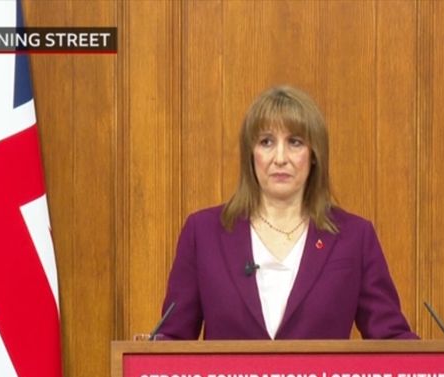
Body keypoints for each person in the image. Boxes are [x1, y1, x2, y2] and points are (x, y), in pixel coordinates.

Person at [156, 85, 416, 340]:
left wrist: (442, 368)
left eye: (295, 142)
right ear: (251, 153)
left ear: (314, 154)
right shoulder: (203, 233)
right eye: (266, 142)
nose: (280, 158)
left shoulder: (354, 237)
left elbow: (391, 340)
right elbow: (172, 340)